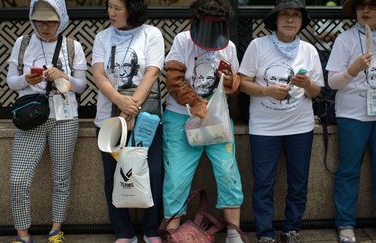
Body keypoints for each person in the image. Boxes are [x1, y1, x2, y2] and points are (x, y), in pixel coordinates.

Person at [239, 0, 324, 242]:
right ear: (275, 20)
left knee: (298, 180)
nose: (290, 19)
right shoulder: (258, 45)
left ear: (301, 21)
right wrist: (266, 91)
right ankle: (264, 233)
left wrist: (307, 85)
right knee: (264, 182)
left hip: (300, 126)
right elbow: (242, 82)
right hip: (264, 128)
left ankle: (292, 229)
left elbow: (317, 91)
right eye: (284, 15)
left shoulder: (309, 50)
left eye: (295, 16)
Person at [162, 0, 246, 242]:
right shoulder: (182, 40)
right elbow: (173, 78)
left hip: (217, 118)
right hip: (180, 116)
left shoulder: (228, 46)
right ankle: (172, 232)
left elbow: (235, 84)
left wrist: (230, 80)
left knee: (227, 171)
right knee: (177, 176)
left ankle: (233, 231)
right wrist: (196, 102)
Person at [325, 0, 376, 242]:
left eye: (373, 5)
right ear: (355, 11)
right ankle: (345, 224)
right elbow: (332, 82)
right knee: (348, 169)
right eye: (361, 5)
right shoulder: (345, 39)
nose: (366, 11)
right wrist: (353, 69)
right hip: (352, 114)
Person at [7, 0, 87, 242]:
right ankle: (23, 234)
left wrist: (64, 75)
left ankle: (55, 229)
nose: (44, 27)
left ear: (61, 19)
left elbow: (82, 86)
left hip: (65, 118)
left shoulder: (73, 45)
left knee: (61, 177)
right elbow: (11, 80)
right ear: (32, 18)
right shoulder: (22, 43)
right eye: (39, 20)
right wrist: (26, 80)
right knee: (18, 179)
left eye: (50, 21)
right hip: (31, 118)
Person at [91, 0, 165, 242]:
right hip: (109, 119)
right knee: (113, 176)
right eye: (109, 6)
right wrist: (118, 100)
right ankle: (123, 232)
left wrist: (130, 107)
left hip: (146, 119)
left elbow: (152, 72)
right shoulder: (103, 37)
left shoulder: (151, 34)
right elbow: (98, 73)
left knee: (153, 172)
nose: (111, 12)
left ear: (132, 9)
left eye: (117, 8)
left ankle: (151, 229)